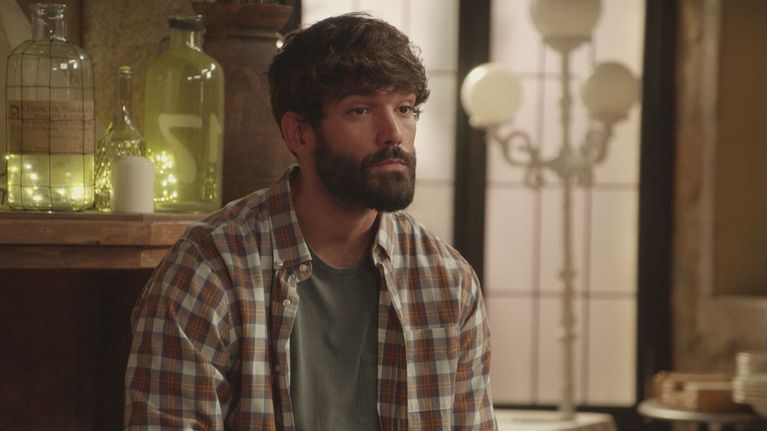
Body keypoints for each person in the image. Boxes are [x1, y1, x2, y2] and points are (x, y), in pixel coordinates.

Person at [124, 12, 496, 431]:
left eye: (405, 108)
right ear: (299, 133)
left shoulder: (447, 281)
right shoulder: (210, 269)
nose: (393, 133)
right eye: (360, 110)